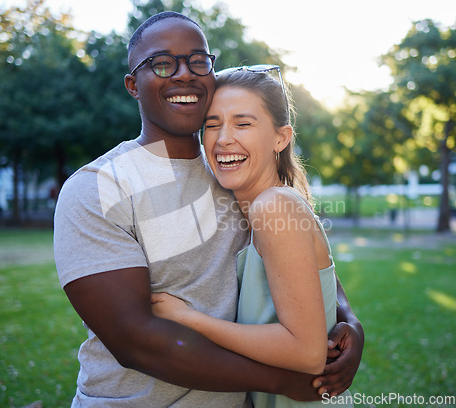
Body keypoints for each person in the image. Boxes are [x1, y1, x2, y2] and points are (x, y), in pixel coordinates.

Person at [53, 11, 363, 407]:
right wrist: (279, 379)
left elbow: (299, 256)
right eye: (162, 63)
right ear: (133, 84)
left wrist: (348, 322)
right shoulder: (97, 187)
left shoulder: (233, 167)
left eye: (198, 60)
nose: (183, 74)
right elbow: (136, 342)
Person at [151, 66, 355, 407]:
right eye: (212, 124)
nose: (223, 138)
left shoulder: (273, 205)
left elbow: (307, 353)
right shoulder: (251, 206)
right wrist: (351, 318)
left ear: (281, 137)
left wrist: (188, 319)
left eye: (243, 123)